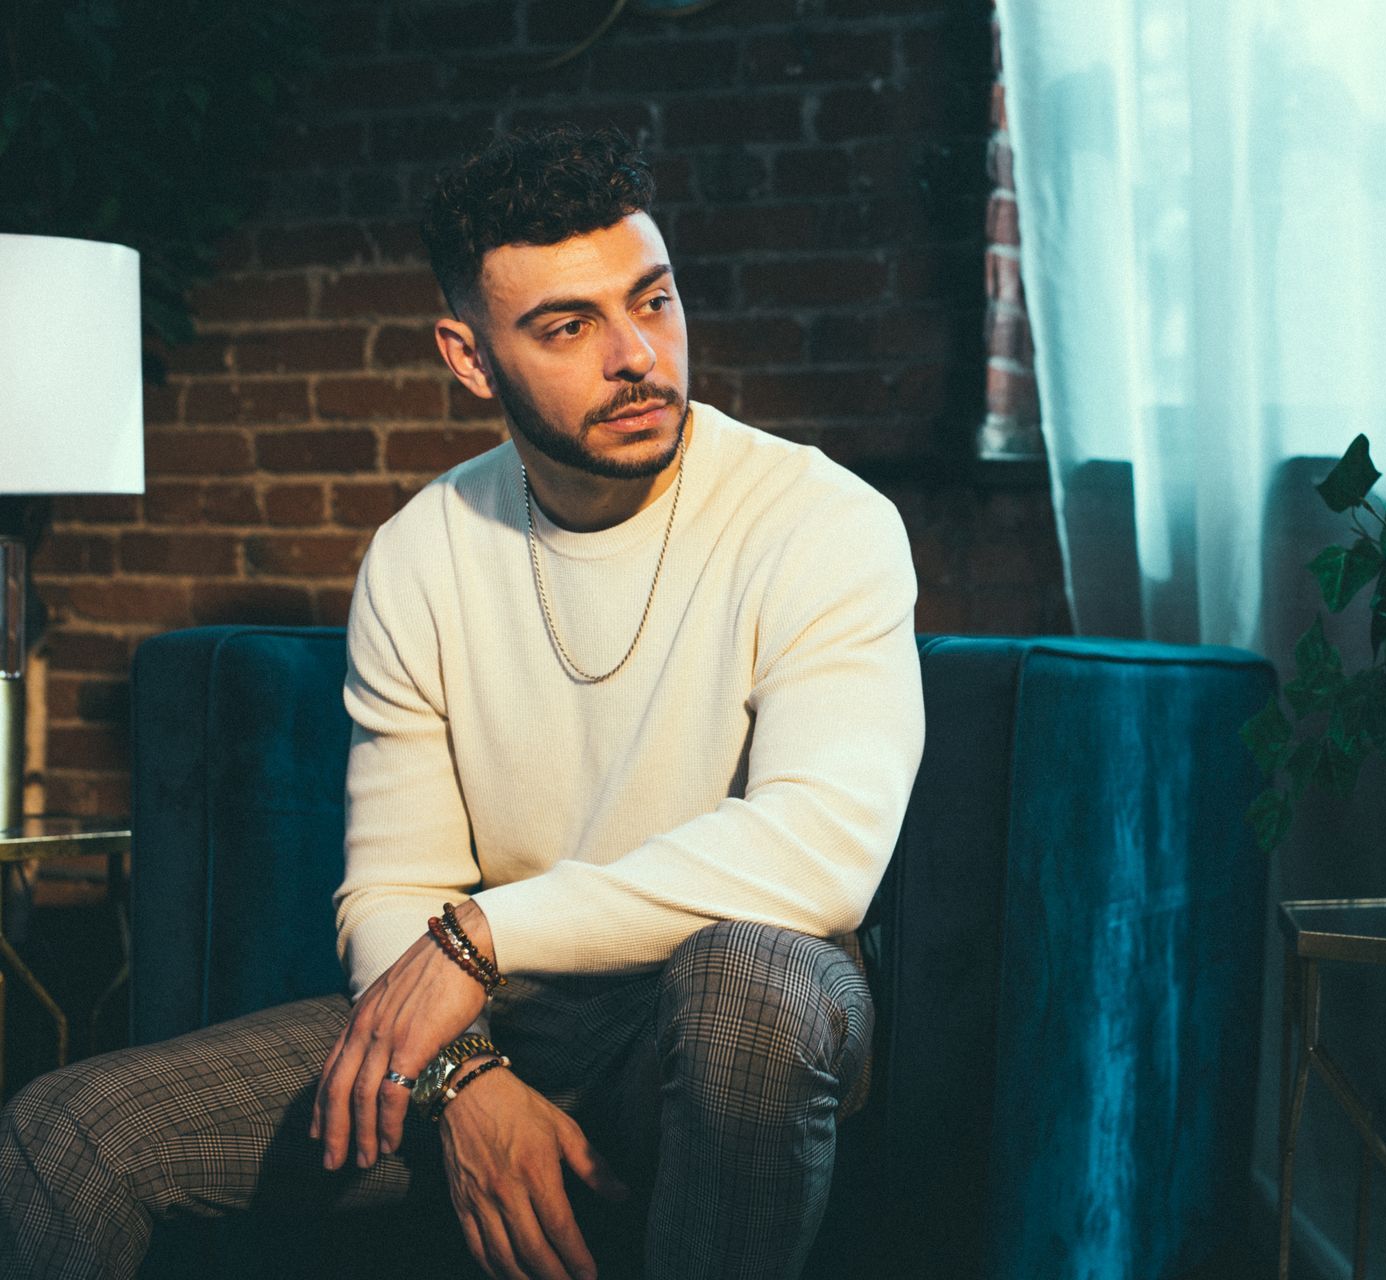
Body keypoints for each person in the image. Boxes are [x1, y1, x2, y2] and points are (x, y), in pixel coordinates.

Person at [0, 124, 925, 1280]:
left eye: (653, 299)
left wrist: (481, 934)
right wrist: (461, 1075)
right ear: (470, 356)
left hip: (728, 1019)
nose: (637, 355)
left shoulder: (820, 520)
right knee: (63, 1137)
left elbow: (822, 852)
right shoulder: (421, 551)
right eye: (567, 326)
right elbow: (393, 885)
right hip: (508, 1016)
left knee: (750, 983)